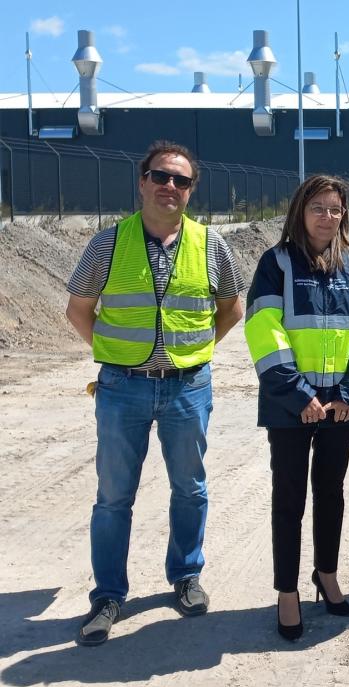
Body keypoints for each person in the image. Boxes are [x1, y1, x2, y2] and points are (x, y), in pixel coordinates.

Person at [65, 140, 244, 646]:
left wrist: (198, 351)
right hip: (123, 389)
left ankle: (185, 577)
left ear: (192, 190)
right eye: (161, 176)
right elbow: (79, 308)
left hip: (188, 387)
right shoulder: (106, 243)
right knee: (113, 496)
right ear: (142, 180)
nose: (170, 186)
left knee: (190, 489)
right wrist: (115, 354)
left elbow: (232, 307)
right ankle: (108, 595)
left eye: (181, 180)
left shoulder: (211, 245)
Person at [244, 175, 349, 640]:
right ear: (300, 211)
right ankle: (287, 591)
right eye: (318, 208)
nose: (328, 217)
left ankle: (326, 574)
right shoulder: (276, 263)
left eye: (336, 209)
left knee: (331, 492)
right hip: (292, 406)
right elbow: (265, 329)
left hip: (340, 405)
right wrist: (299, 395)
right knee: (289, 499)